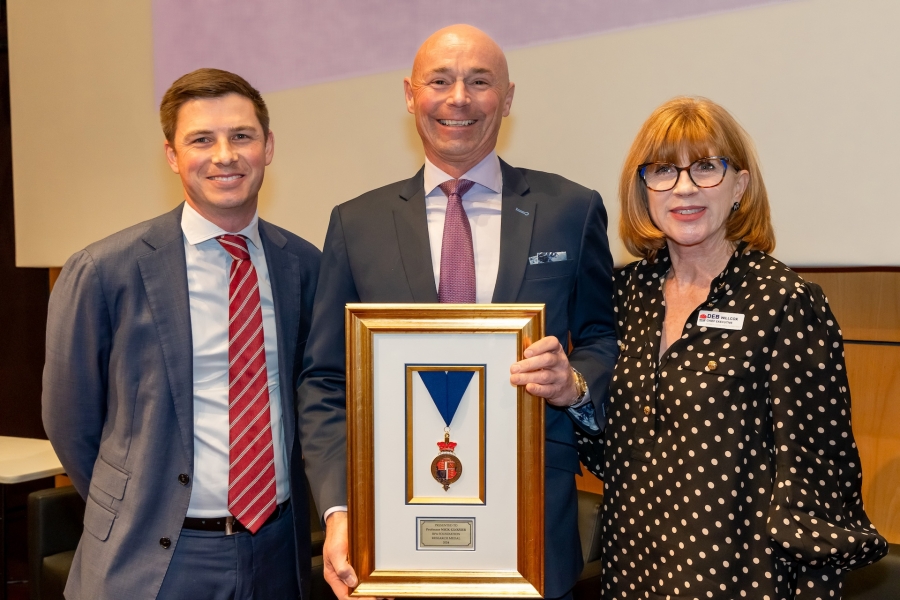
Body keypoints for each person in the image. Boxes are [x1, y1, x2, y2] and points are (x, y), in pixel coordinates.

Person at [298, 24, 618, 600]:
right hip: (392, 533)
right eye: (439, 81)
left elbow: (602, 335)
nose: (459, 98)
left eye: (479, 81)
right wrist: (340, 510)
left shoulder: (571, 208)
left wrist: (573, 382)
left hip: (533, 532)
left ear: (509, 97)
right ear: (409, 94)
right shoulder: (356, 224)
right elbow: (325, 381)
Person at [575, 96, 887, 599]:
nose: (684, 188)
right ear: (644, 190)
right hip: (632, 569)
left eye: (706, 168)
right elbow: (615, 452)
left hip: (740, 577)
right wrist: (575, 398)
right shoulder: (622, 295)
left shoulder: (785, 302)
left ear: (740, 184)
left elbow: (820, 483)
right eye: (663, 171)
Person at [42, 68, 321, 600]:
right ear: (172, 155)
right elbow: (68, 419)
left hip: (277, 555)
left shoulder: (304, 266)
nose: (225, 155)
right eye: (201, 139)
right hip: (152, 558)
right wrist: (130, 504)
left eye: (242, 136)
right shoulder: (104, 271)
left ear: (268, 147)